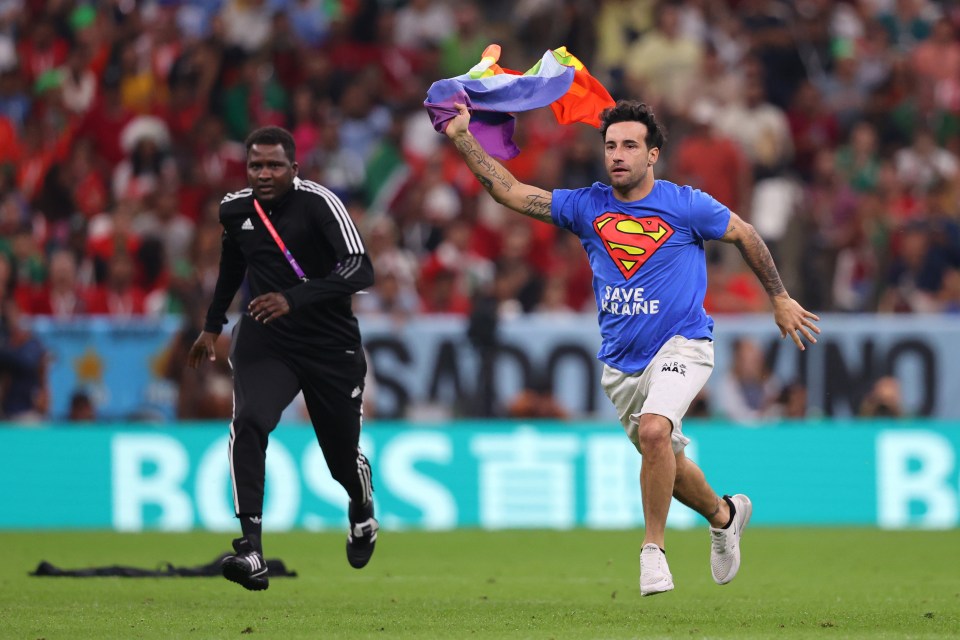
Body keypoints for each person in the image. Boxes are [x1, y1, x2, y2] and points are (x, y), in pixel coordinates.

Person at [443, 100, 820, 596]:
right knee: (667, 460)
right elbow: (510, 192)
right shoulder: (587, 206)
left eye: (629, 146)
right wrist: (461, 136)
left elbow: (744, 234)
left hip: (684, 344)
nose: (617, 155)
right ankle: (725, 515)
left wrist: (779, 297)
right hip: (621, 365)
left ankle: (652, 551)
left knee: (656, 431)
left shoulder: (684, 204)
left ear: (653, 154)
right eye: (610, 146)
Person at [187, 126, 377, 591]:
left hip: (331, 345)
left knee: (339, 459)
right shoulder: (235, 210)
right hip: (267, 338)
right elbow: (233, 264)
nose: (265, 174)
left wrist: (295, 298)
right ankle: (251, 550)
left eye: (274, 165)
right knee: (248, 421)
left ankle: (361, 507)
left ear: (295, 168)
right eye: (256, 166)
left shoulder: (320, 203)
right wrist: (213, 325)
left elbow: (360, 268)